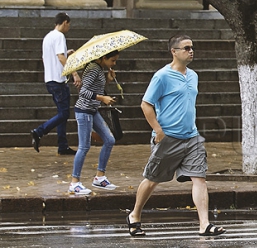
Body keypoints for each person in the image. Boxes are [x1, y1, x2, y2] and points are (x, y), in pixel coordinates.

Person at [126, 34, 226, 238]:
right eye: (186, 48)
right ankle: (134, 215)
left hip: (192, 137)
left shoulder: (193, 75)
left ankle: (204, 224)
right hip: (168, 137)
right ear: (174, 51)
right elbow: (146, 104)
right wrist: (158, 131)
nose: (191, 51)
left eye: (192, 47)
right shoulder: (162, 76)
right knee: (152, 179)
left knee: (199, 178)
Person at [68, 50, 120, 195]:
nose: (114, 63)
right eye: (113, 60)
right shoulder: (93, 69)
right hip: (84, 111)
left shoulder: (99, 69)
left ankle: (100, 177)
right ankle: (74, 182)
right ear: (104, 57)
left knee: (109, 140)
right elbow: (83, 91)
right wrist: (102, 99)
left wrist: (109, 79)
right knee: (84, 147)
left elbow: (96, 88)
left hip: (93, 111)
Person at [31, 12, 82, 155]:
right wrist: (75, 74)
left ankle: (62, 145)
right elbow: (60, 57)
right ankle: (39, 131)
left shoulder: (48, 37)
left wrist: (66, 52)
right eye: (69, 25)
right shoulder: (60, 36)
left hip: (50, 79)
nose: (69, 28)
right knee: (64, 113)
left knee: (62, 113)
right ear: (65, 22)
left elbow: (54, 56)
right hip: (58, 80)